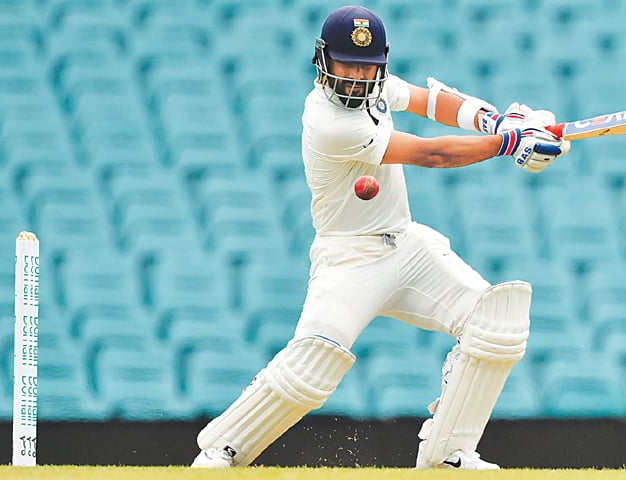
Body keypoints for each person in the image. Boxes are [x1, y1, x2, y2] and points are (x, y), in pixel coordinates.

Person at [191, 5, 569, 470]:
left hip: (406, 245)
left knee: (497, 323)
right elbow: (432, 155)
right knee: (313, 366)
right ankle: (223, 448)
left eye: (367, 66)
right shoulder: (328, 121)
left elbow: (434, 102)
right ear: (322, 61)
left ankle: (447, 453)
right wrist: (510, 143)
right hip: (350, 257)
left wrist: (495, 122)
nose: (356, 76)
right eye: (346, 64)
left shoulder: (377, 88)